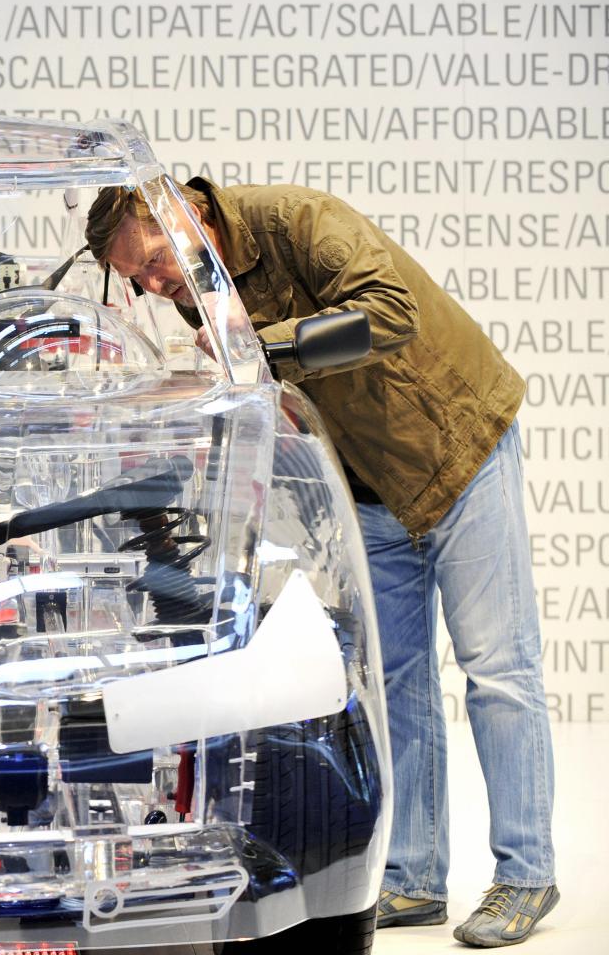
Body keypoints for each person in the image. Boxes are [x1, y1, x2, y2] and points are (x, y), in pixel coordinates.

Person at [85, 179, 559, 947]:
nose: (153, 284)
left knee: (498, 668)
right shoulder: (196, 292)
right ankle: (414, 877)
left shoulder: (296, 220)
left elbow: (391, 313)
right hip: (368, 483)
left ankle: (527, 874)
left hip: (456, 449)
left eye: (152, 261)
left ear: (185, 214)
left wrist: (260, 341)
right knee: (396, 685)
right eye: (136, 278)